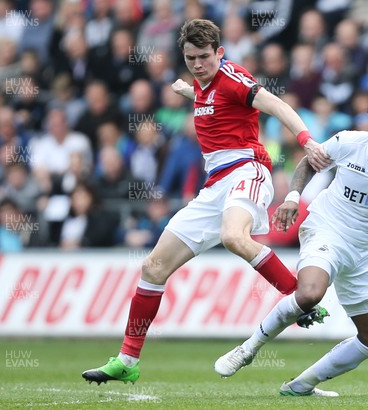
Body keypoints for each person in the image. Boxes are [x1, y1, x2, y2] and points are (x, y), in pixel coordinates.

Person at [82, 18, 330, 385]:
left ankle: (298, 298)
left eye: (204, 57)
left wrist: (307, 140)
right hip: (214, 188)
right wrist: (189, 91)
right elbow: (211, 100)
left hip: (248, 171)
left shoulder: (233, 78)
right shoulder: (202, 85)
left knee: (234, 237)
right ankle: (127, 360)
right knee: (152, 268)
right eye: (190, 58)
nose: (198, 65)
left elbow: (276, 105)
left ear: (220, 53)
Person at [214, 92, 368, 397]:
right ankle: (248, 349)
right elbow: (309, 162)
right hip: (326, 229)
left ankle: (301, 385)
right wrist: (293, 197)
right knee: (310, 294)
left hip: (362, 248)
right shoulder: (347, 143)